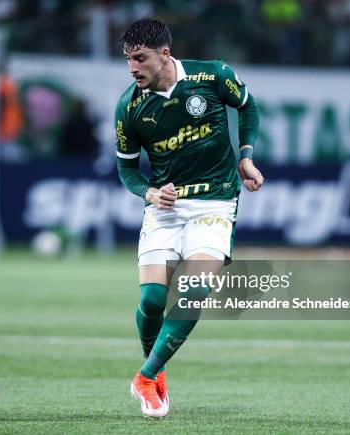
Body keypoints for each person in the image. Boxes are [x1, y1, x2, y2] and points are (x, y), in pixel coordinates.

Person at [115, 17, 264, 418]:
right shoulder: (130, 107)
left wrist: (246, 156)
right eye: (128, 59)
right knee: (151, 300)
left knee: (196, 290)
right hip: (165, 209)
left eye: (139, 59)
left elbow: (248, 106)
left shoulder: (212, 76)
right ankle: (156, 372)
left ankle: (145, 377)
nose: (132, 68)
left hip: (214, 203)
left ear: (165, 54)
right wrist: (148, 191)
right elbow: (126, 169)